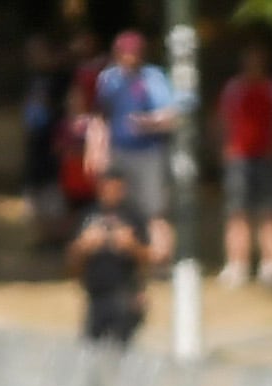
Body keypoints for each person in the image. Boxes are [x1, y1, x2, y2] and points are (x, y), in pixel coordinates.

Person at [214, 44, 272, 287]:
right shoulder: (234, 88)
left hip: (265, 157)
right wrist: (225, 146)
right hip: (239, 157)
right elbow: (222, 118)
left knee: (268, 213)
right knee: (236, 213)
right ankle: (237, 264)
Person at [91, 30, 179, 248]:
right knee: (116, 209)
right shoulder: (108, 79)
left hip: (148, 152)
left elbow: (171, 116)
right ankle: (125, 258)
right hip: (118, 150)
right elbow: (101, 117)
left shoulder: (154, 78)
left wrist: (149, 123)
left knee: (154, 210)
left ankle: (161, 259)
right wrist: (96, 149)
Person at [72, 173, 150, 347]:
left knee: (121, 348)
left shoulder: (133, 215)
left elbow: (147, 257)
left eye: (115, 188)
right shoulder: (88, 215)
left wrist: (131, 245)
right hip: (95, 294)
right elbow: (72, 260)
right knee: (90, 347)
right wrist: (84, 246)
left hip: (124, 293)